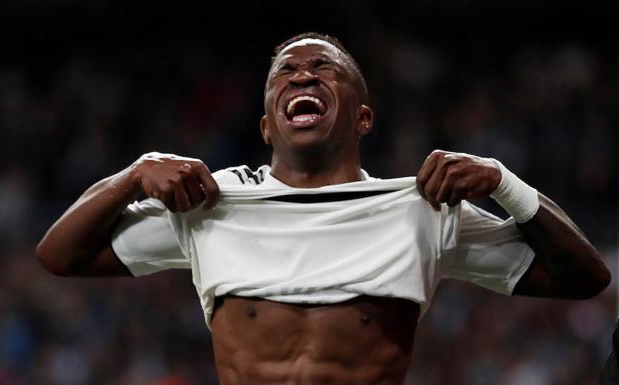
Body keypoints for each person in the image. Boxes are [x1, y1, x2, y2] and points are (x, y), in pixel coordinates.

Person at [37, 32, 610, 384]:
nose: (302, 73)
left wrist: (504, 181)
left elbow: (584, 277)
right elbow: (59, 255)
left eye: (324, 68)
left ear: (363, 118)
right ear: (267, 125)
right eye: (284, 72)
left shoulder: (419, 210)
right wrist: (136, 172)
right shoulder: (211, 206)